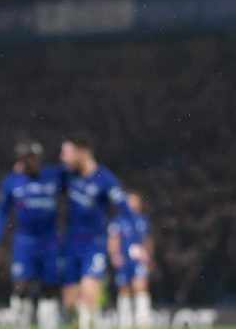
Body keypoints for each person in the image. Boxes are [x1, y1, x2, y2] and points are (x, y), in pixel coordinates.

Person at [59, 136, 136, 329]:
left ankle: (88, 323)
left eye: (66, 153)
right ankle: (84, 321)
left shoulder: (105, 179)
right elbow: (42, 177)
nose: (62, 158)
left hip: (94, 244)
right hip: (70, 245)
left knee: (88, 290)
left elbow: (125, 209)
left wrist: (132, 241)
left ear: (82, 152)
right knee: (69, 302)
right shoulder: (67, 175)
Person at [0, 141, 63, 329]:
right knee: (21, 286)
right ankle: (21, 324)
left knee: (49, 288)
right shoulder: (12, 182)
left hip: (50, 242)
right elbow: (1, 212)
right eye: (29, 158)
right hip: (24, 243)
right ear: (21, 162)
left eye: (36, 157)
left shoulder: (54, 176)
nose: (34, 162)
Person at [109, 191, 153, 329]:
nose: (131, 204)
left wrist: (148, 256)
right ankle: (124, 322)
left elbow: (147, 240)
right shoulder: (118, 221)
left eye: (134, 201)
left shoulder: (143, 220)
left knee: (140, 286)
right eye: (129, 201)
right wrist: (114, 255)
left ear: (140, 204)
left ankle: (143, 321)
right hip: (123, 259)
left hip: (138, 259)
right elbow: (113, 240)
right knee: (124, 289)